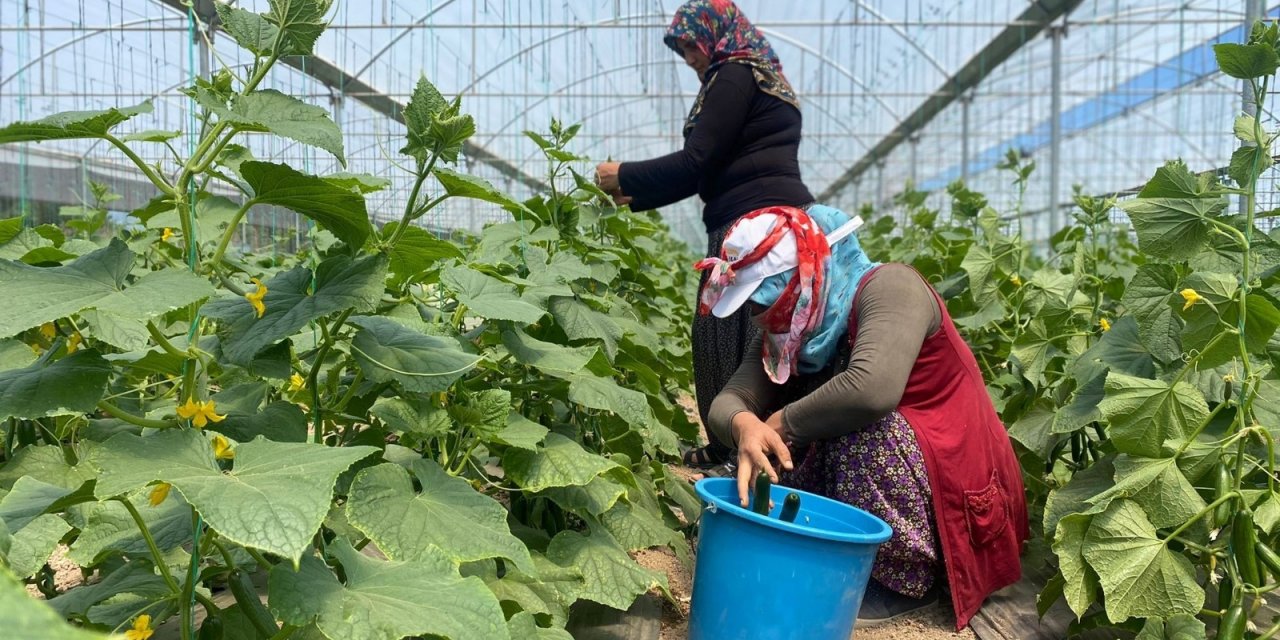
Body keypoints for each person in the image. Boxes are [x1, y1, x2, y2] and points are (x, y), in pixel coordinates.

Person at [696, 204, 1028, 629]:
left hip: (950, 481)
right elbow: (730, 399)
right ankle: (841, 552)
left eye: (765, 298)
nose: (760, 314)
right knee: (770, 454)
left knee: (862, 431)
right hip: (894, 477)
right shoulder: (792, 328)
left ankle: (906, 579)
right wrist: (745, 425)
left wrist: (777, 424)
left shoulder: (892, 287)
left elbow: (872, 389)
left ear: (805, 274)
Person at [594, 0, 814, 471]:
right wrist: (635, 196)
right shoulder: (755, 74)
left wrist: (623, 173)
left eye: (691, 45)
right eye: (681, 49)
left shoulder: (734, 73)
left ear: (715, 32)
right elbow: (704, 170)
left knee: (738, 337)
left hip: (757, 230)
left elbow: (695, 161)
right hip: (763, 223)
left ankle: (746, 454)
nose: (689, 57)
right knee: (723, 333)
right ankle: (727, 447)